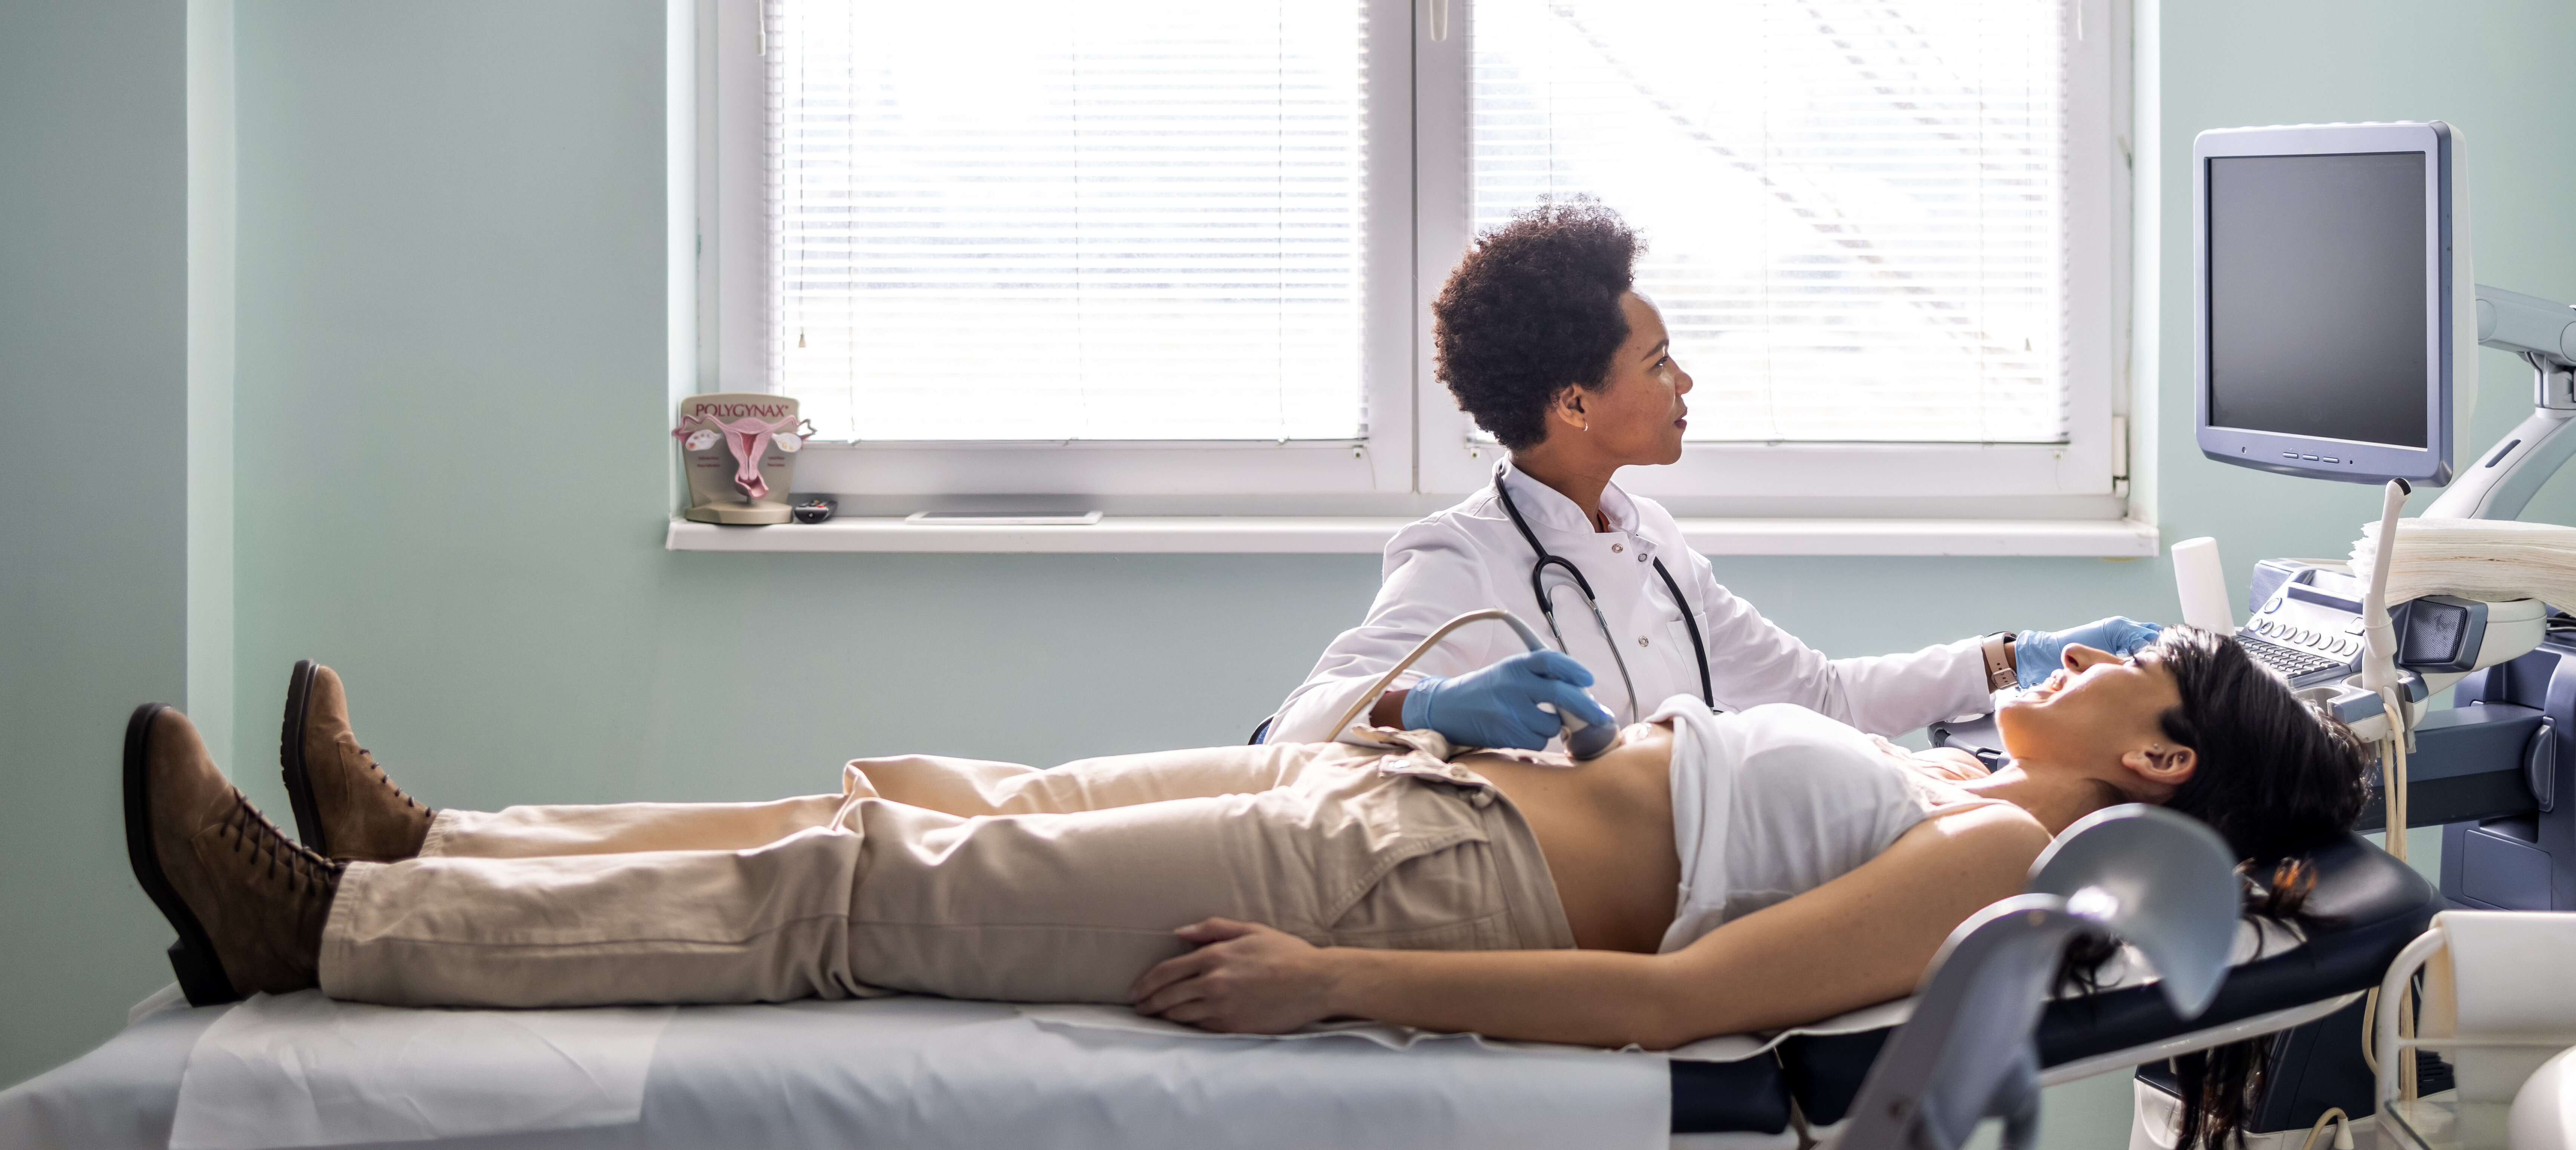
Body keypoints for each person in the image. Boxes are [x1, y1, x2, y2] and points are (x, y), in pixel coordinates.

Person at [127, 632, 2356, 1116]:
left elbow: (1684, 1004)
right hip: (1432, 818)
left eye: (2121, 660)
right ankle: (434, 846)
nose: (2072, 651)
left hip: (1419, 906)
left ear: (2158, 754)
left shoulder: (1989, 853)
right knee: (886, 803)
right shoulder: (1975, 782)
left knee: (864, 893)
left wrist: (1315, 980)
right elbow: (1695, 816)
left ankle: (321, 927)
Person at [1266, 203, 2161, 751]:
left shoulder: (1649, 539)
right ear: (1574, 403)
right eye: (1657, 364)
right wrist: (1427, 703)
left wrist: (2010, 657)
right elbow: (1292, 728)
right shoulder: (1461, 555)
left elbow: (1822, 697)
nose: (1682, 382)